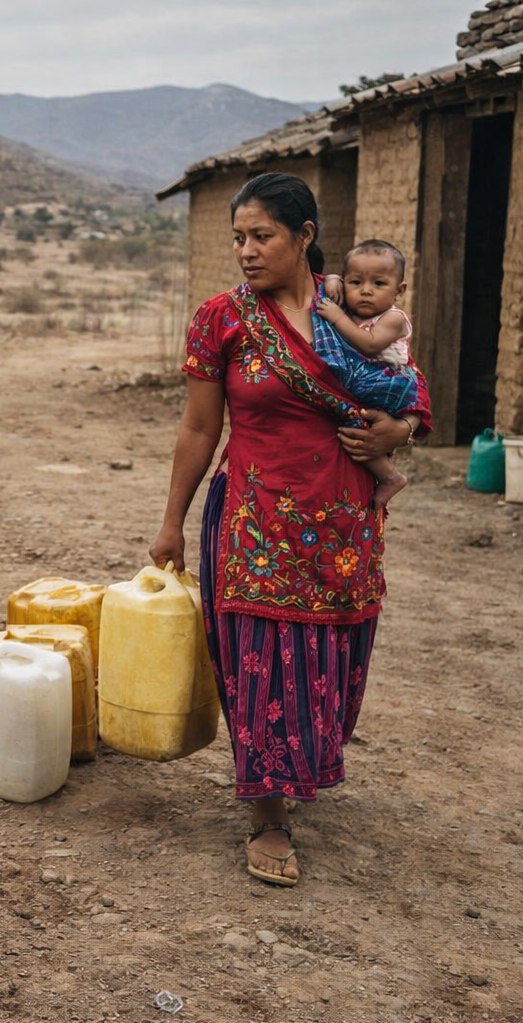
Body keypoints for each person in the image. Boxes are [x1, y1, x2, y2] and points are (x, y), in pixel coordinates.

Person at [149, 172, 430, 887]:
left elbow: (411, 386)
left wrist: (399, 427)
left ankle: (303, 763)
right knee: (261, 659)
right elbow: (198, 425)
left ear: (305, 236)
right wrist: (171, 522)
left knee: (329, 654)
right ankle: (268, 815)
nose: (246, 250)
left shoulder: (359, 302)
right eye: (237, 237)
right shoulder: (223, 318)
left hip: (344, 523)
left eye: (262, 235)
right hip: (255, 518)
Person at [314, 240, 420, 509]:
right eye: (355, 282)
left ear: (400, 290)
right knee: (355, 425)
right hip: (370, 378)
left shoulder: (393, 319)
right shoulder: (355, 311)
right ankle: (388, 474)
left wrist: (337, 317)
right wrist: (333, 280)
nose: (365, 291)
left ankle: (390, 477)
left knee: (348, 416)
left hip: (387, 381)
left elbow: (369, 344)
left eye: (378, 284)